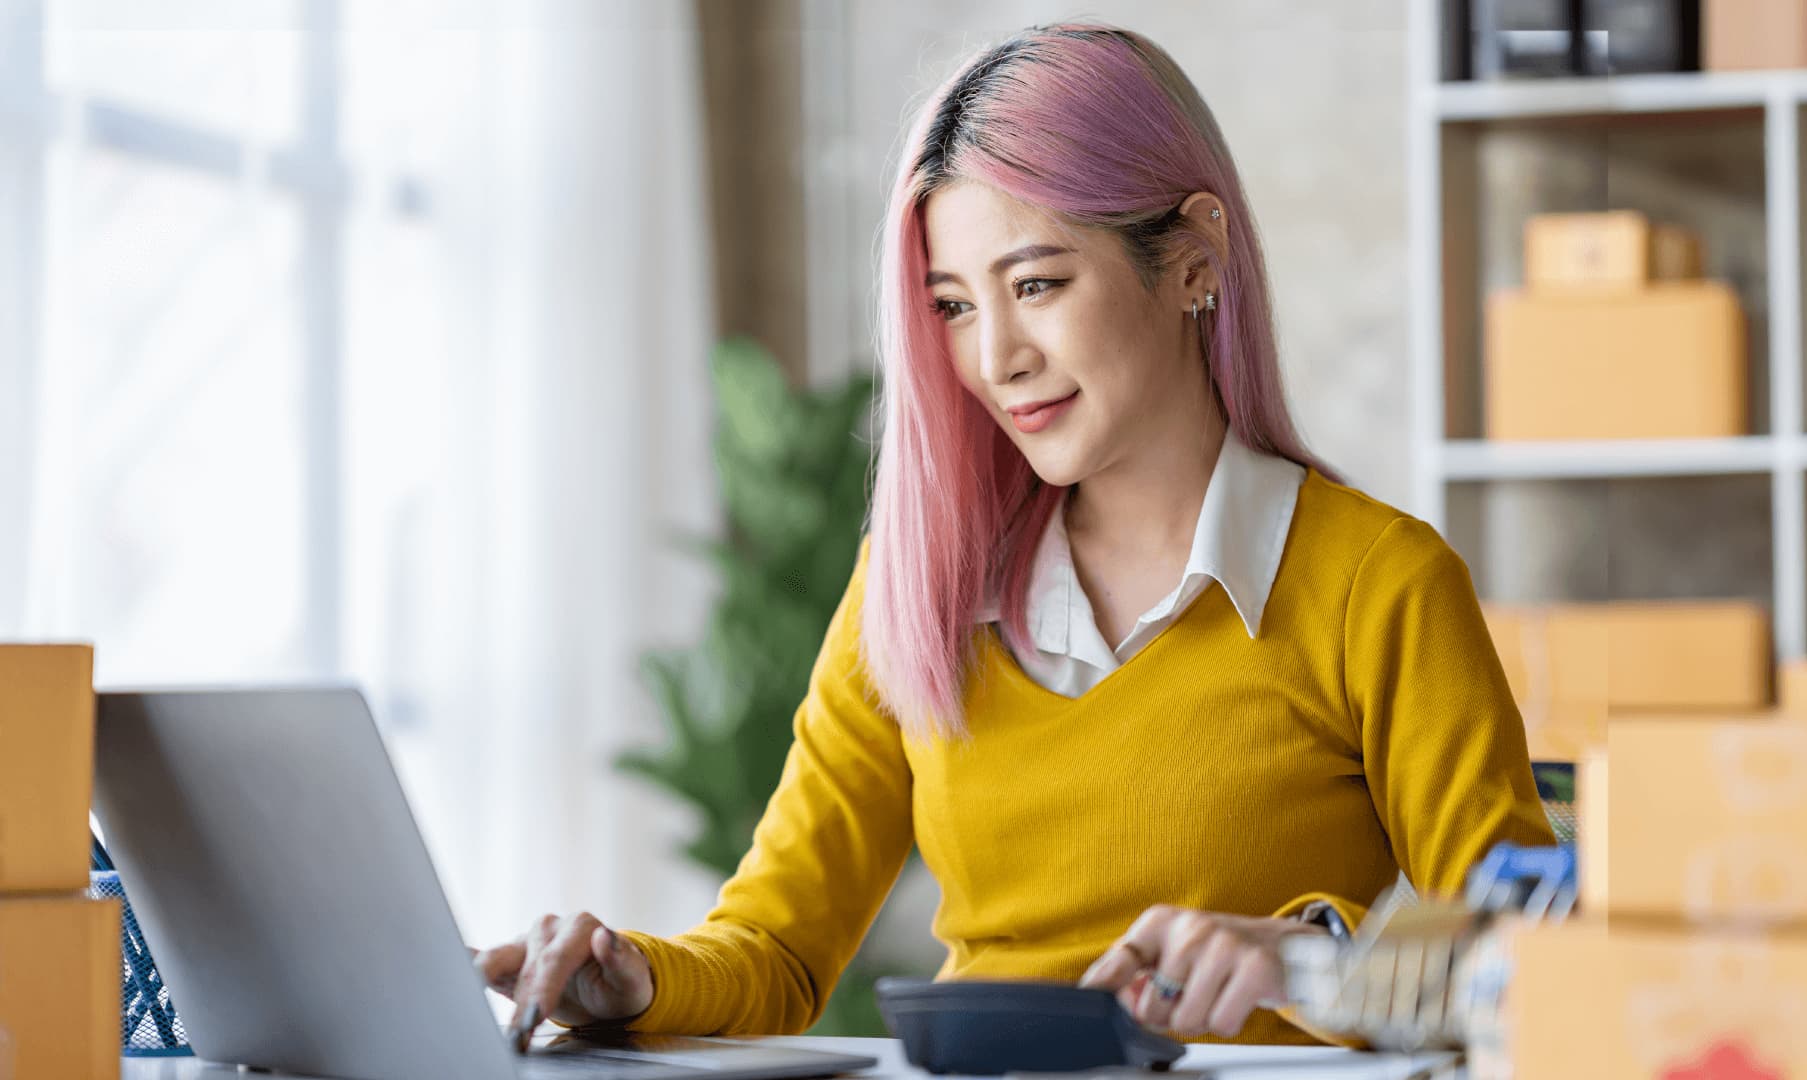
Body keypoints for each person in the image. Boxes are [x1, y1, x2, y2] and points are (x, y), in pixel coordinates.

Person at [475, 22, 1554, 1047]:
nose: (996, 358)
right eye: (952, 306)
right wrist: (639, 980)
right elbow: (775, 950)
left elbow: (1536, 968)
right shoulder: (918, 587)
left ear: (1192, 258)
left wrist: (1310, 960)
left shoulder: (1379, 584)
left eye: (1036, 284)